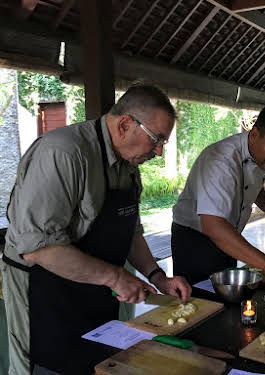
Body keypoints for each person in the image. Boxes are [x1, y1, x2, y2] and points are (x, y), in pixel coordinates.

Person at [0, 85, 192, 375]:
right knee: (47, 365)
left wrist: (157, 276)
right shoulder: (64, 153)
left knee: (96, 361)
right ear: (126, 124)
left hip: (93, 285)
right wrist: (115, 277)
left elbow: (130, 230)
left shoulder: (128, 166)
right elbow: (38, 247)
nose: (159, 151)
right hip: (44, 288)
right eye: (157, 139)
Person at [172, 103, 265, 295]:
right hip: (195, 241)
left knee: (229, 298)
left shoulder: (258, 155)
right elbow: (213, 226)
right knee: (199, 304)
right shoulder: (221, 160)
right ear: (255, 134)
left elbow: (252, 186)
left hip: (228, 237)